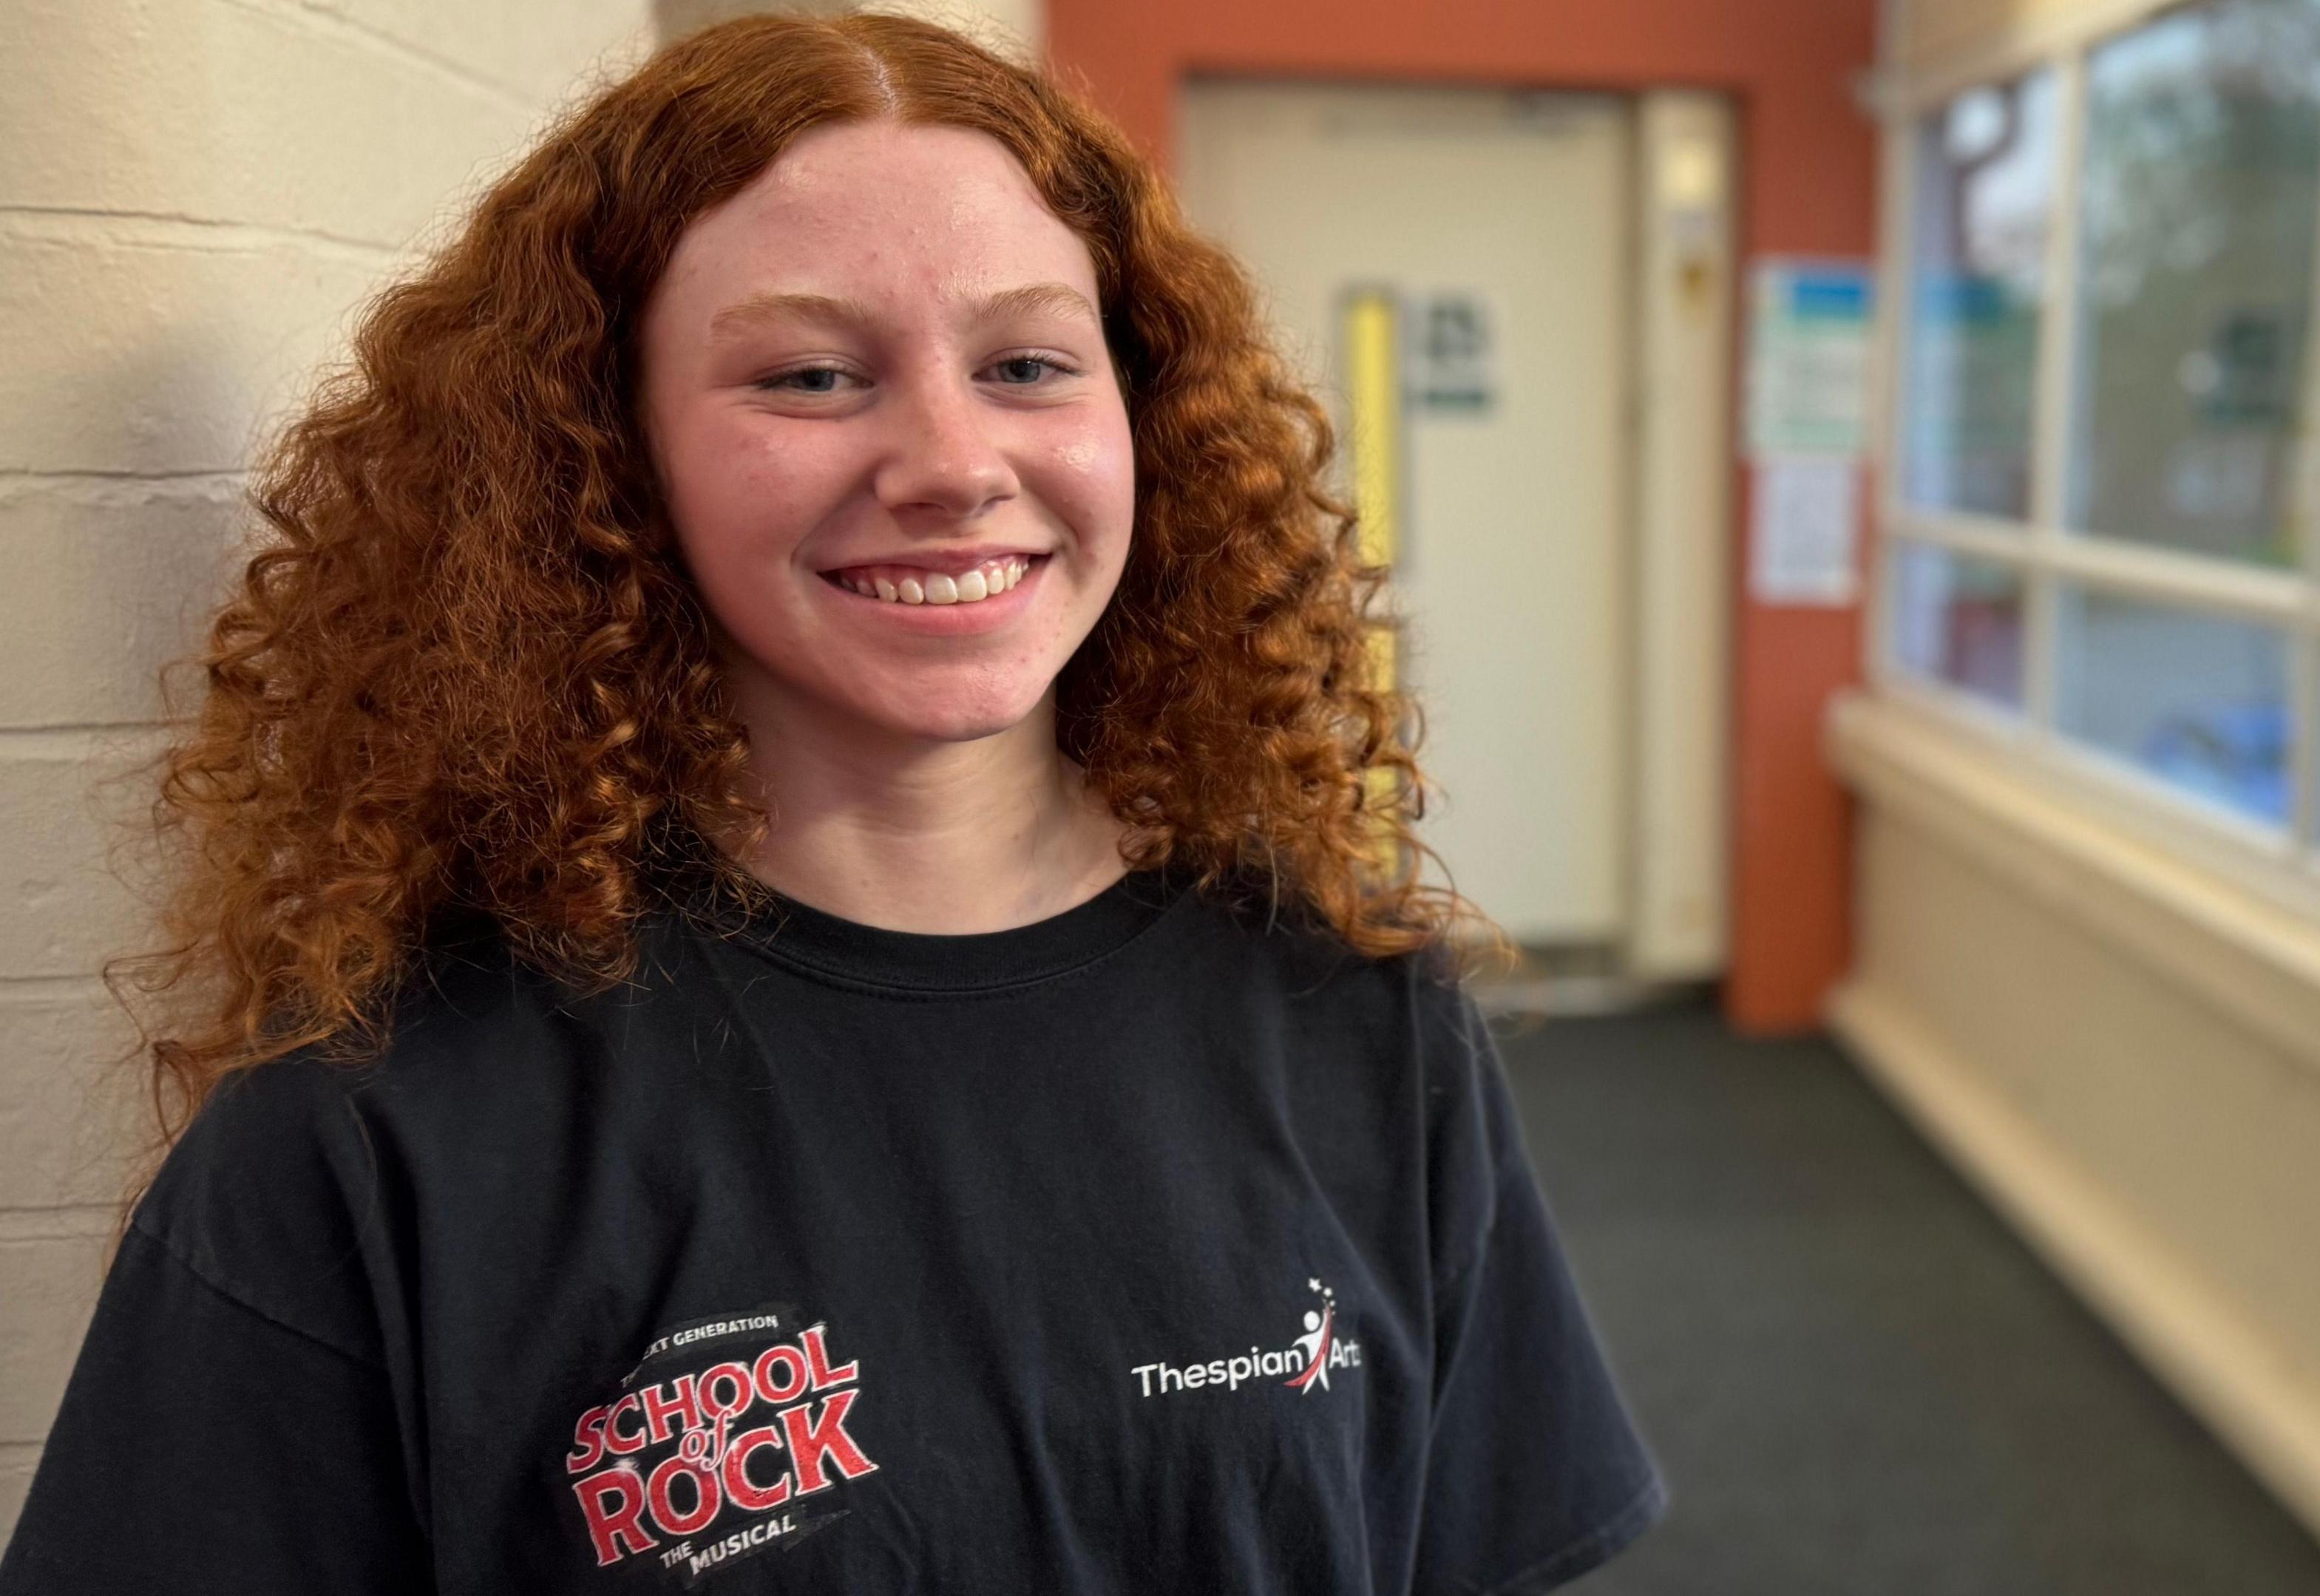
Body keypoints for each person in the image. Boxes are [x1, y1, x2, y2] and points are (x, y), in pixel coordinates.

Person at [0, 13, 1665, 1592]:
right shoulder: (376, 1134)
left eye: (1026, 362)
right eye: (808, 378)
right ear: (607, 456)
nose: (950, 461)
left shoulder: (1359, 1022)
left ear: (1141, 422)